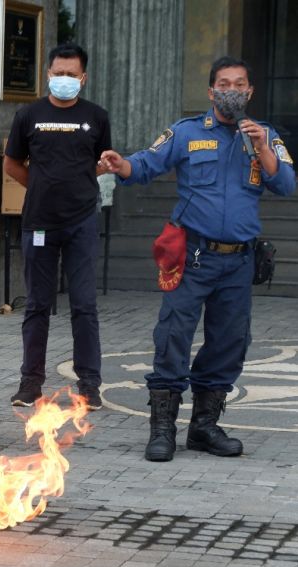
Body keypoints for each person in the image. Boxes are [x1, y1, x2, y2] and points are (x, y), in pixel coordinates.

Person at [100, 56, 295, 462]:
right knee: (173, 337)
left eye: (240, 84)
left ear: (250, 91)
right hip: (193, 257)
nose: (233, 91)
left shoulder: (265, 136)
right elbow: (147, 164)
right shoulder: (188, 132)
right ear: (211, 92)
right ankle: (162, 431)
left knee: (229, 343)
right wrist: (122, 165)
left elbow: (286, 183)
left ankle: (204, 428)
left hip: (239, 262)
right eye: (224, 84)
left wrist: (262, 148)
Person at [3, 43, 111, 411]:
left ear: (83, 77)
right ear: (47, 74)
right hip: (39, 222)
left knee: (84, 305)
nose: (64, 79)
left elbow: (101, 161)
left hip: (81, 221)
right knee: (36, 305)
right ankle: (30, 383)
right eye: (58, 73)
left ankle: (89, 385)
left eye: (71, 74)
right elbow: (12, 163)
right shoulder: (28, 114)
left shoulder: (96, 116)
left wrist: (76, 182)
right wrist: (42, 185)